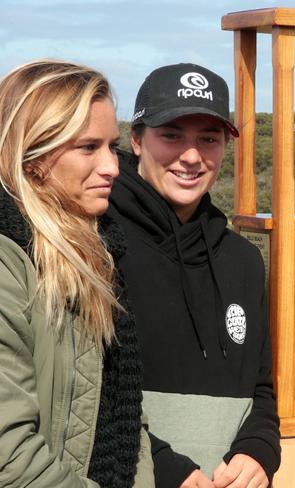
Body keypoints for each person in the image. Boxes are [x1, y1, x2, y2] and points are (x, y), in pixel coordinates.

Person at [107, 63, 280, 488]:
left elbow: (260, 389)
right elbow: (84, 395)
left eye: (209, 139)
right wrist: (163, 467)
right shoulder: (96, 244)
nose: (191, 155)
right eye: (171, 135)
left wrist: (259, 449)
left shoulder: (242, 259)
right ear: (136, 139)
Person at [0, 60, 153, 487]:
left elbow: (128, 419)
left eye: (112, 145)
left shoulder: (99, 252)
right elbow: (9, 459)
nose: (112, 167)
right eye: (88, 147)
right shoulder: (9, 263)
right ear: (31, 155)